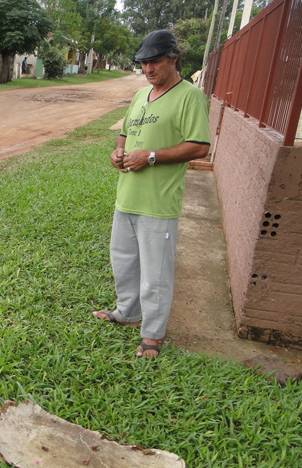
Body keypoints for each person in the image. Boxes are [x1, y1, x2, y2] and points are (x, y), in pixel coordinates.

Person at [92, 30, 211, 358]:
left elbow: (200, 146)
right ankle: (127, 313)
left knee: (156, 273)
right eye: (143, 63)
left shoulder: (189, 96)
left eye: (154, 61)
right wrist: (118, 152)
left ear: (173, 59)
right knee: (124, 261)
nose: (148, 69)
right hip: (127, 196)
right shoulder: (139, 97)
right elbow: (125, 133)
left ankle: (153, 335)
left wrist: (152, 155)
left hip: (159, 203)